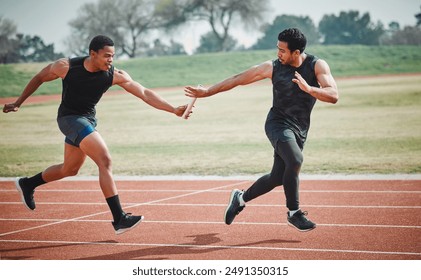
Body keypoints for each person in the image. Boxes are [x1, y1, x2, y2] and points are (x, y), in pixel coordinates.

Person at [3, 35, 189, 235]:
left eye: (113, 56)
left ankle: (27, 183)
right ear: (93, 54)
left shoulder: (114, 74)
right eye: (107, 56)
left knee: (70, 169)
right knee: (104, 159)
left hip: (88, 120)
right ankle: (119, 218)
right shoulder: (65, 67)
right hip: (69, 118)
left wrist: (173, 109)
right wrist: (18, 102)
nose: (111, 60)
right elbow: (40, 77)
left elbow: (144, 93)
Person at [185, 28, 339, 232]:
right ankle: (294, 213)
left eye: (283, 50)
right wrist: (208, 92)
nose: (278, 54)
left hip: (300, 129)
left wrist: (310, 89)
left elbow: (333, 94)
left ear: (296, 52)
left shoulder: (317, 65)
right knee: (295, 160)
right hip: (277, 124)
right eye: (278, 49)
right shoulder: (272, 67)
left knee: (278, 177)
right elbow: (237, 79)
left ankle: (240, 198)